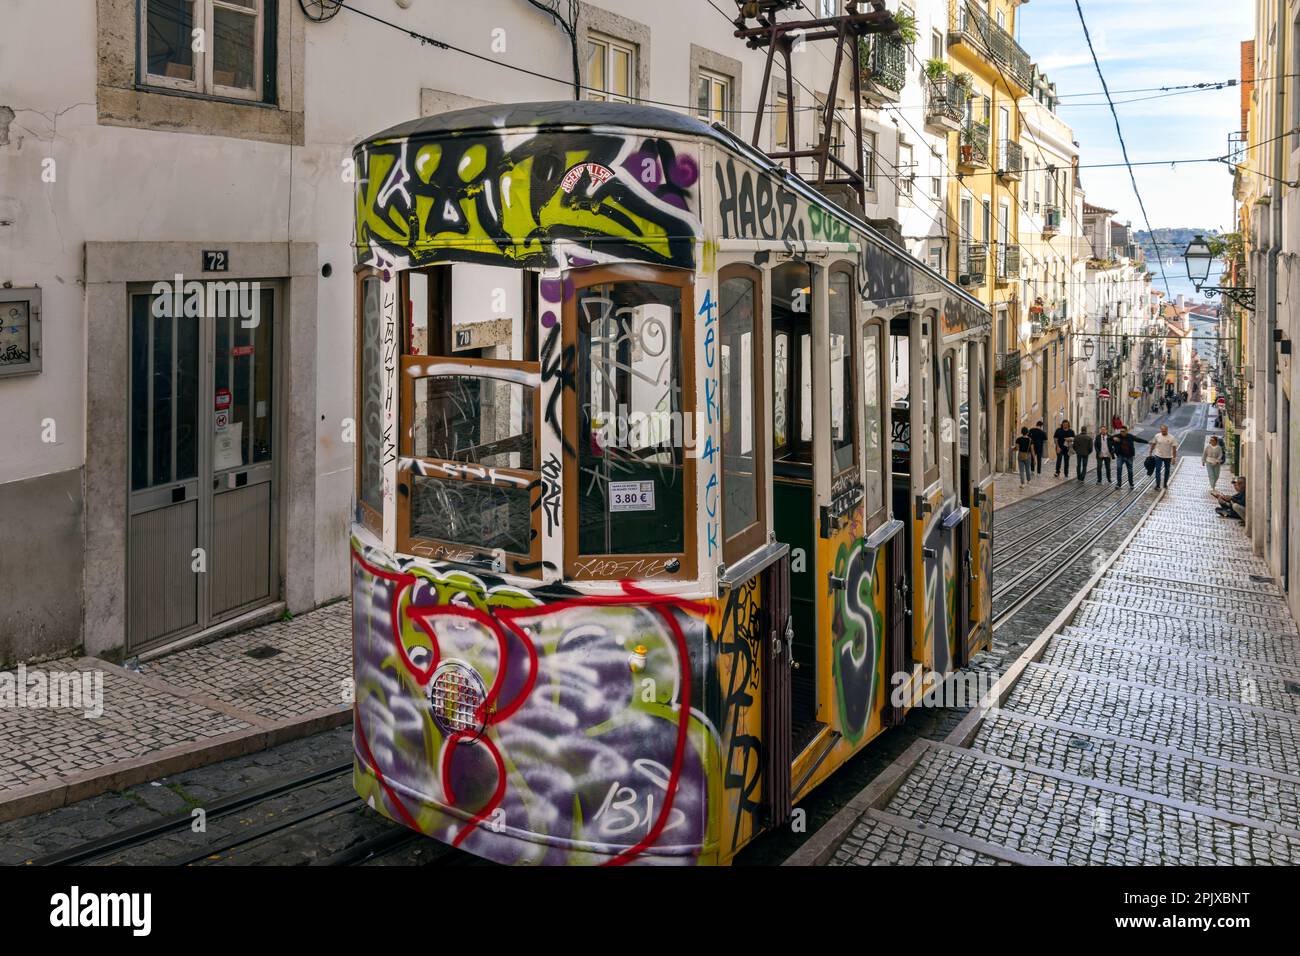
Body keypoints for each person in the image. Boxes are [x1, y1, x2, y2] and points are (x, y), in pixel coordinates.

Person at [1109, 425, 1147, 490]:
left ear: (1126, 431)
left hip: (1129, 456)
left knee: (1130, 471)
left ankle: (1131, 484)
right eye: (1121, 431)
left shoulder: (1130, 436)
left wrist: (1147, 442)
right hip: (1120, 456)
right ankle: (1118, 484)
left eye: (1123, 431)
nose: (1122, 432)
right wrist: (1113, 438)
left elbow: (1138, 440)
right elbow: (1108, 438)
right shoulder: (1117, 436)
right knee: (1119, 468)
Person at [1150, 423, 1178, 490]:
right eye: (1162, 431)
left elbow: (1174, 448)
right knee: (1158, 470)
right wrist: (1150, 451)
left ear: (1167, 430)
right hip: (1158, 455)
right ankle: (1158, 485)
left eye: (1164, 431)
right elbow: (1153, 444)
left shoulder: (1172, 438)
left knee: (1167, 470)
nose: (1163, 432)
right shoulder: (1157, 436)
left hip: (1168, 457)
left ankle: (1165, 484)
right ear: (1160, 430)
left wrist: (1174, 458)